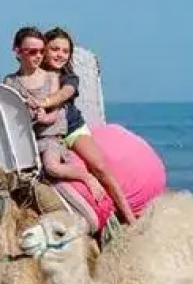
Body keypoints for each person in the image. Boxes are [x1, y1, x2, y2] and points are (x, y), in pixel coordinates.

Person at [37, 26, 138, 224]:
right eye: (55, 49)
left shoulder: (69, 78)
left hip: (72, 129)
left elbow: (65, 93)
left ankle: (128, 216)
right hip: (47, 134)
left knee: (100, 167)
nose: (60, 55)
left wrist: (45, 102)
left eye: (65, 51)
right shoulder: (35, 77)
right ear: (44, 50)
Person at [1, 27, 97, 186]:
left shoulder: (53, 78)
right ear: (17, 51)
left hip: (57, 133)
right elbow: (4, 109)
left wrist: (43, 113)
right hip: (28, 138)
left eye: (41, 51)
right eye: (33, 52)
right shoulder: (10, 81)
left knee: (52, 167)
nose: (38, 56)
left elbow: (58, 105)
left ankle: (86, 176)